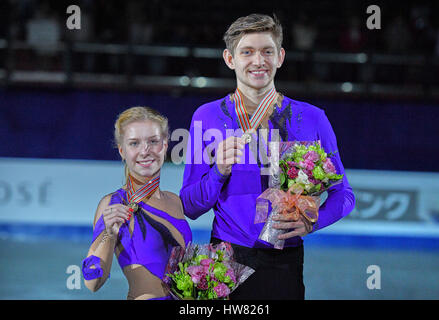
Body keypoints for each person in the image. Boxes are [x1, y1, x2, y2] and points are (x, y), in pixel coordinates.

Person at [180, 14, 355, 300]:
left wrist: (316, 220)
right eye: (247, 52)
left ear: (280, 56)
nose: (258, 61)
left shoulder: (313, 118)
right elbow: (190, 205)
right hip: (225, 261)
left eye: (267, 51)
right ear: (229, 59)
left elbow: (344, 194)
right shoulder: (207, 116)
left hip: (285, 263)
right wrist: (218, 172)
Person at [82, 106, 192, 300]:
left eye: (153, 142)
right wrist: (109, 235)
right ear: (122, 151)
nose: (145, 151)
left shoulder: (175, 200)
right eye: (134, 143)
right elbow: (92, 283)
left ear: (165, 145)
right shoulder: (114, 204)